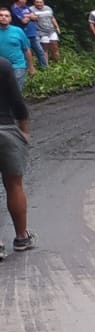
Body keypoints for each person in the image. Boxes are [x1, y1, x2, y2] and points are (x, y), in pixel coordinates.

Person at [0, 56, 32, 257]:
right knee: (14, 185)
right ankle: (21, 237)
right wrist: (24, 132)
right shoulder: (3, 64)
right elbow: (17, 102)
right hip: (6, 130)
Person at [10, 0, 43, 72]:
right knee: (27, 53)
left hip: (33, 33)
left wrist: (28, 16)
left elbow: (36, 18)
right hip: (24, 34)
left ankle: (44, 68)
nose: (26, 0)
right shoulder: (14, 8)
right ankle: (28, 70)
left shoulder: (26, 7)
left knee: (40, 51)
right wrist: (30, 16)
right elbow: (24, 21)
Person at [0, 8, 33, 81]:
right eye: (1, 15)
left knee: (16, 88)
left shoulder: (18, 31)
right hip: (1, 67)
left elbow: (26, 49)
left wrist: (31, 67)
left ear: (10, 19)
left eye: (6, 16)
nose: (3, 17)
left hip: (17, 66)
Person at [31, 0, 61, 64]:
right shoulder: (31, 9)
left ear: (43, 2)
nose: (39, 4)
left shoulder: (48, 8)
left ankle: (58, 63)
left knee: (54, 46)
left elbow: (52, 18)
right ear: (34, 3)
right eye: (37, 2)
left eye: (40, 2)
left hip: (51, 30)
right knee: (44, 48)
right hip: (41, 32)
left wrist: (57, 27)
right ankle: (46, 66)